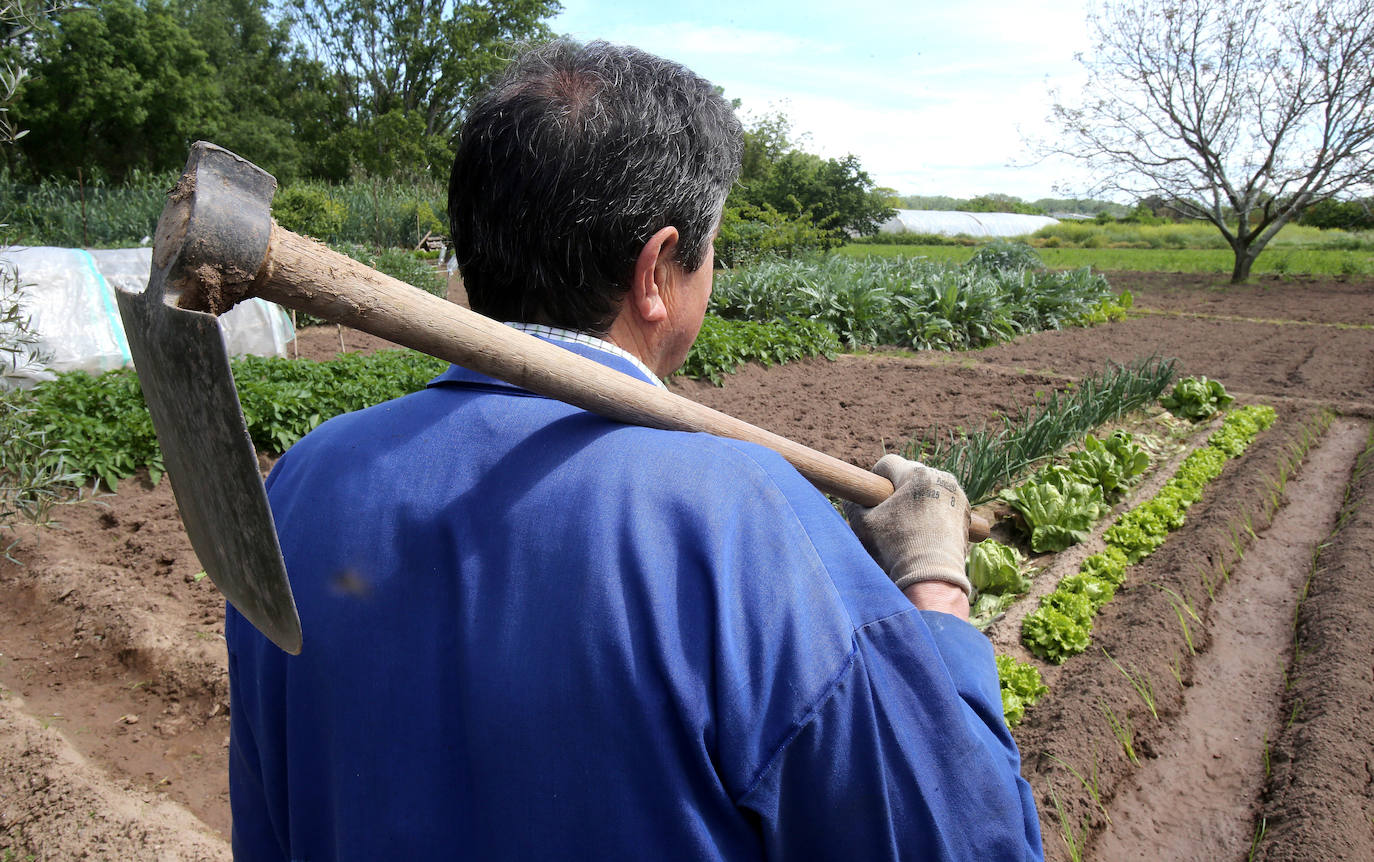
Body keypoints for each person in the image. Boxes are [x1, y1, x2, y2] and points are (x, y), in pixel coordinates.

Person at [226, 39, 1043, 860]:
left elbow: (269, 822)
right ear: (657, 271)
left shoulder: (301, 481)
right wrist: (934, 586)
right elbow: (967, 839)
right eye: (712, 249)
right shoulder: (741, 525)